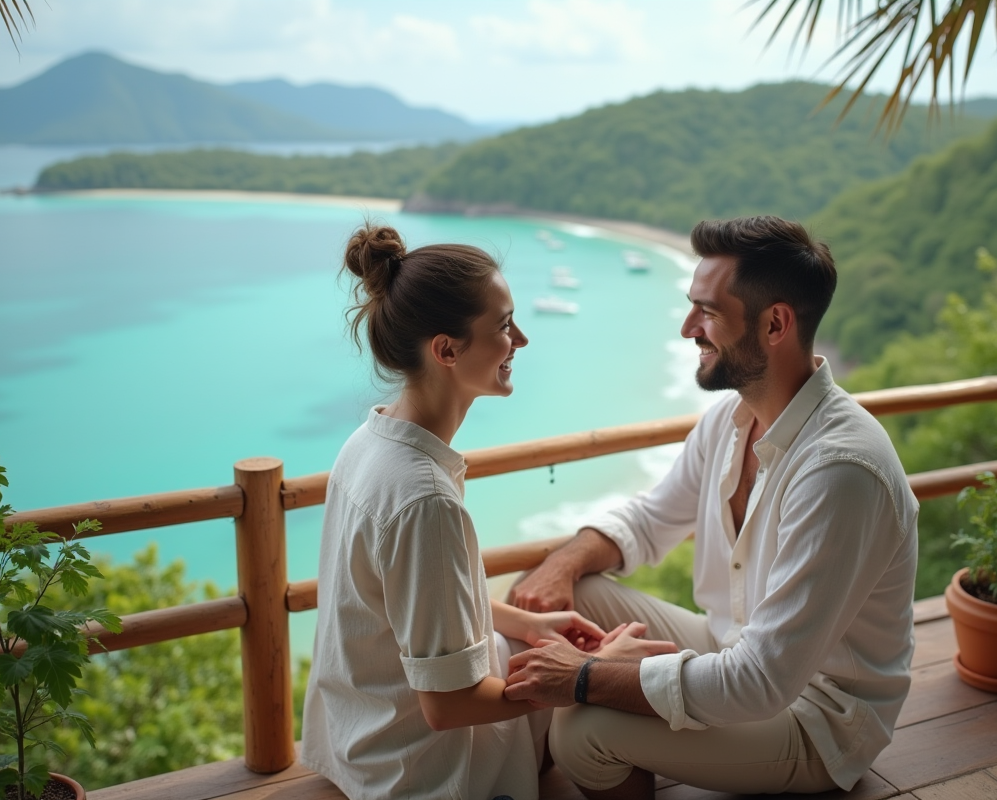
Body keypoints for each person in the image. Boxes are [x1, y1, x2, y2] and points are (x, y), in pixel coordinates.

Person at [504, 215, 919, 798]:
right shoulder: (732, 420)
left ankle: (609, 757)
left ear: (775, 323)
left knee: (584, 730)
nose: (686, 328)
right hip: (734, 650)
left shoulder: (840, 470)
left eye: (708, 312)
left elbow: (760, 683)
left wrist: (588, 679)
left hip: (816, 720)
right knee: (560, 596)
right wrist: (565, 562)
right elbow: (651, 519)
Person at [301, 224, 669, 800]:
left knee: (556, 659)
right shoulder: (424, 499)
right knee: (614, 715)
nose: (519, 339)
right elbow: (447, 707)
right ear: (446, 350)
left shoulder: (371, 442)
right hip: (427, 769)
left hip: (362, 739)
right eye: (502, 326)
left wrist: (527, 627)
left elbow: (410, 603)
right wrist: (590, 680)